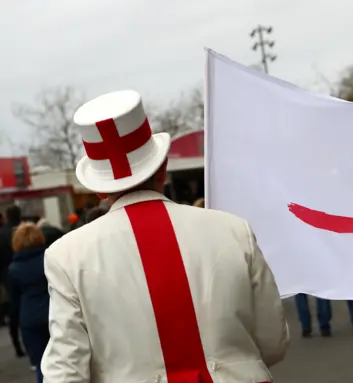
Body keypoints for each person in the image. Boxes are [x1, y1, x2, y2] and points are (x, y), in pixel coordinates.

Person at [41, 90, 289, 382]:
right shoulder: (235, 230)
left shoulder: (66, 256)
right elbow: (273, 342)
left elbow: (66, 371)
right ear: (163, 168)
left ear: (100, 189)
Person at [8, 223, 50, 383]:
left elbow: (15, 299)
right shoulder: (48, 258)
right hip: (52, 312)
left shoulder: (14, 268)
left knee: (41, 365)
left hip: (29, 319)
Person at [0, 205, 25, 357]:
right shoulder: (24, 230)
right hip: (27, 272)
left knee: (13, 313)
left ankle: (17, 346)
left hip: (6, 276)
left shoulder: (2, 233)